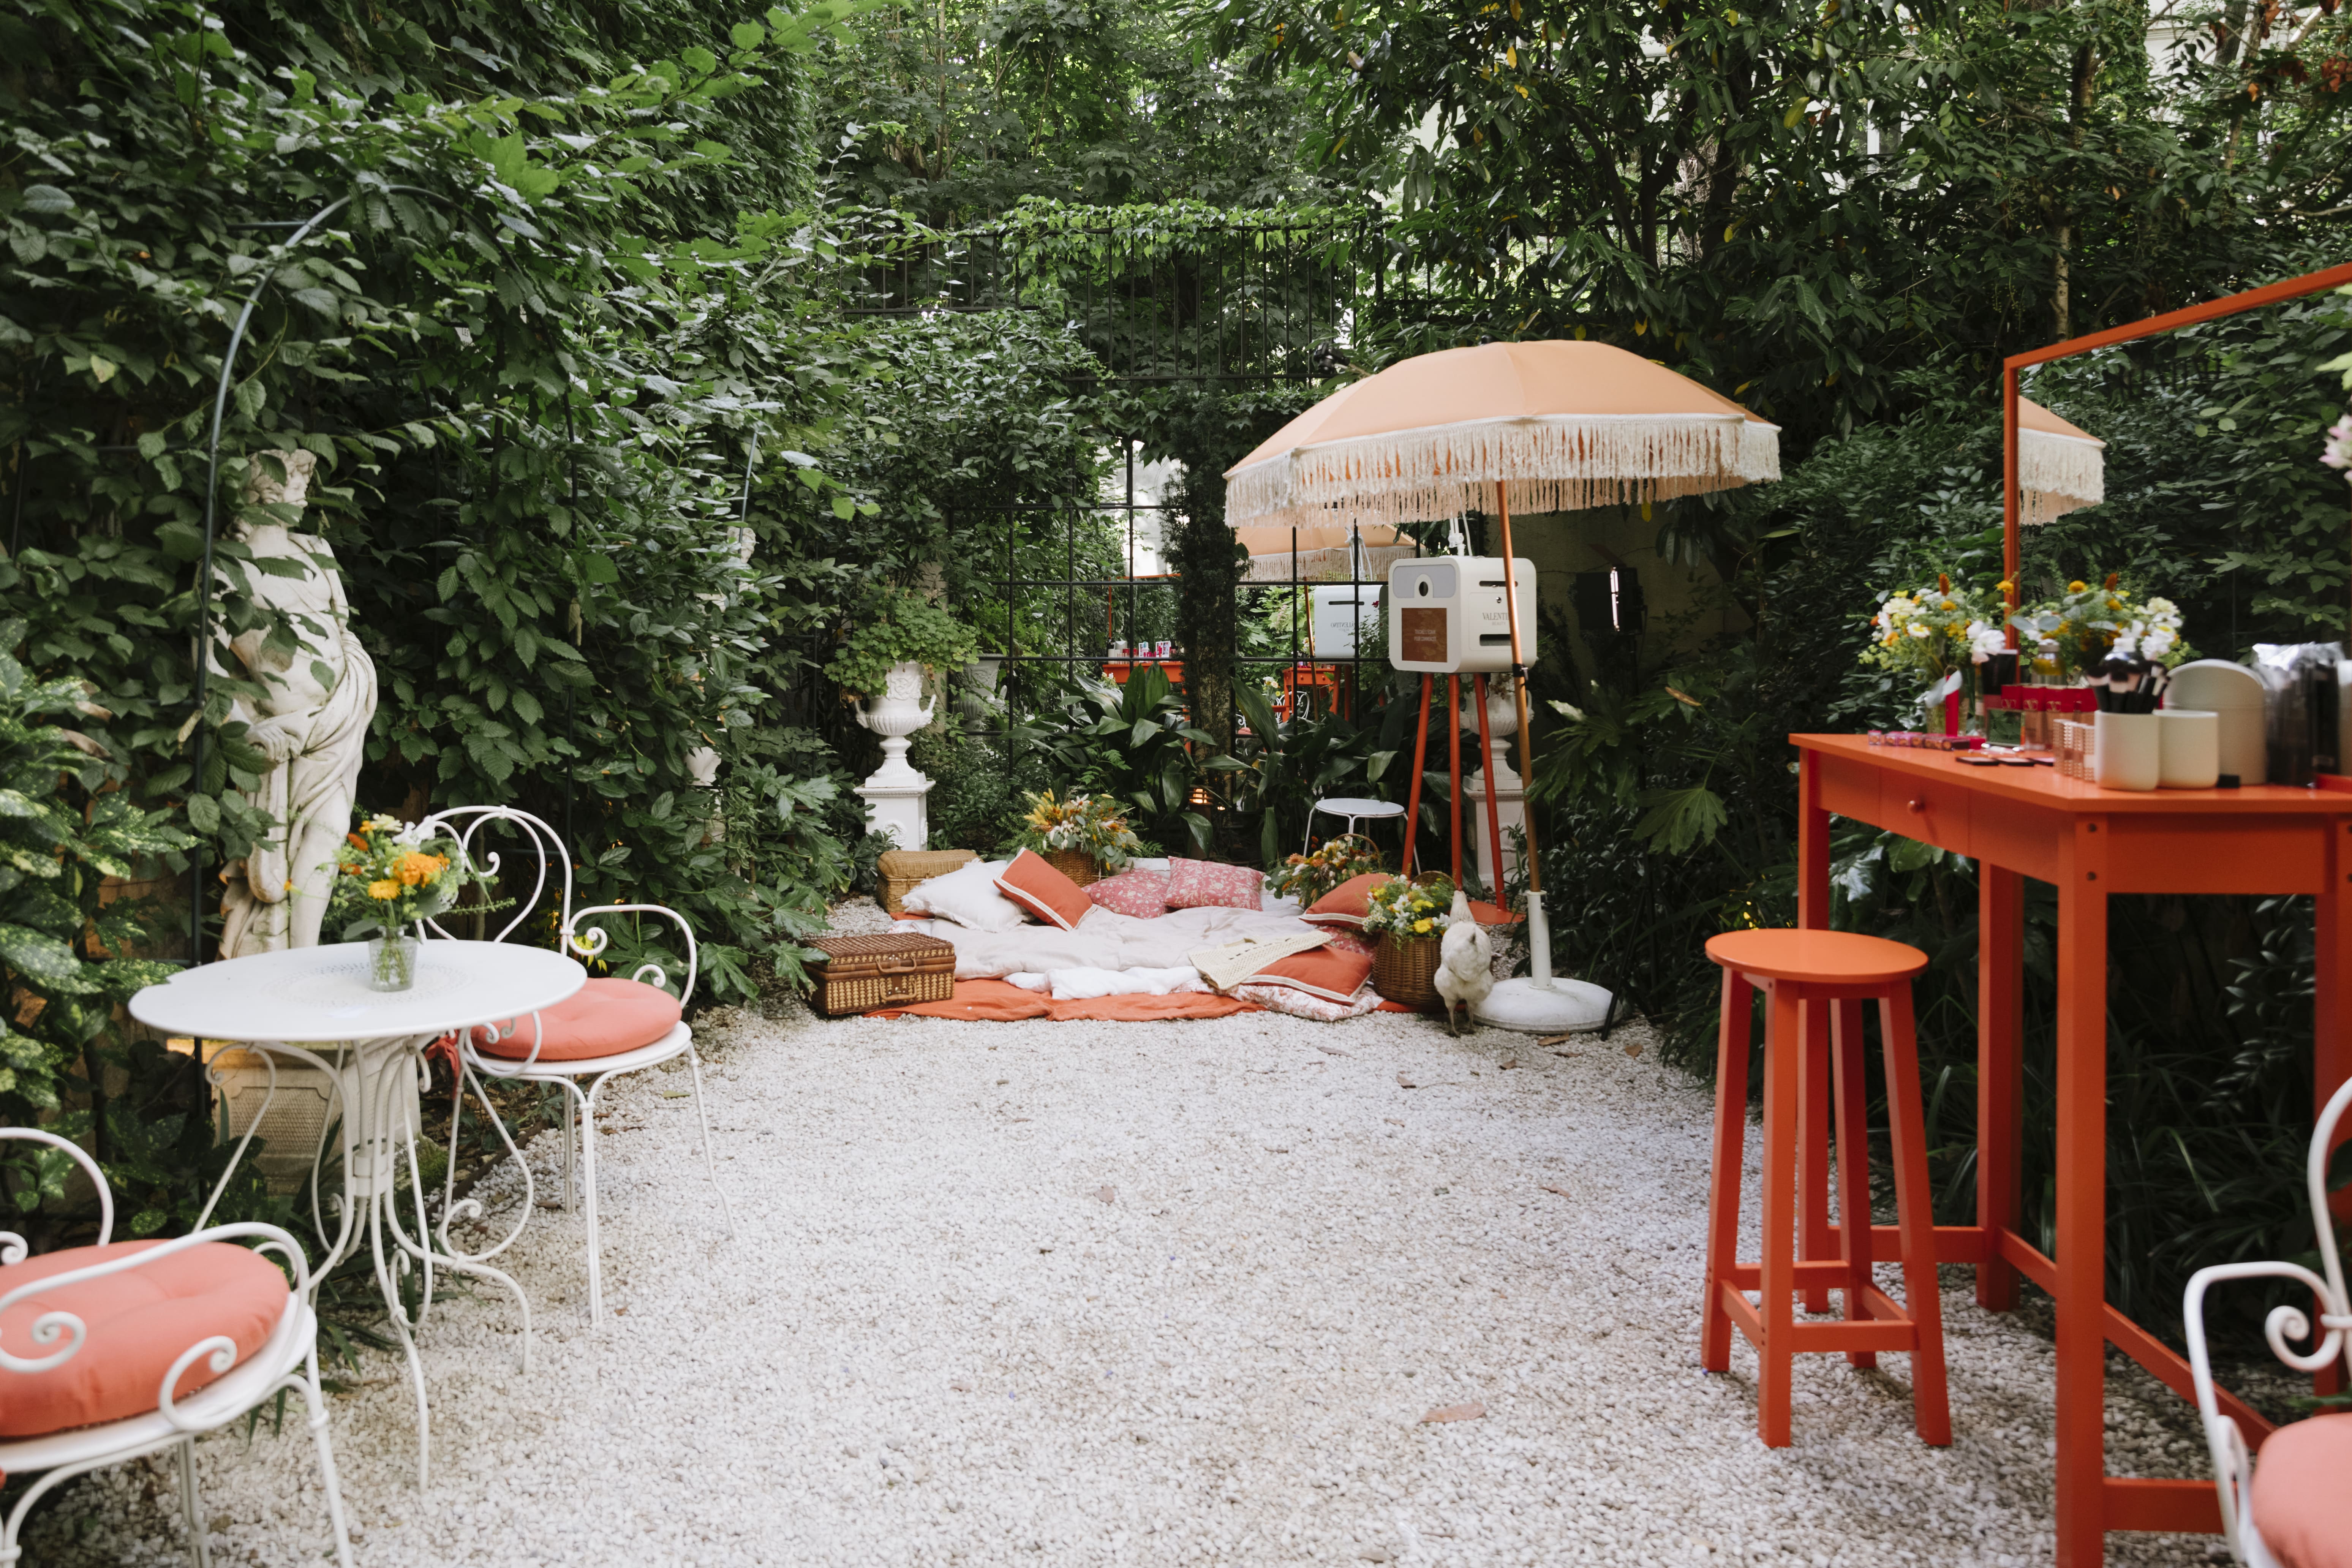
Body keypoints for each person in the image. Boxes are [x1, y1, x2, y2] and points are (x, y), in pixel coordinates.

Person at [215, 449, 379, 955]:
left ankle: (304, 955)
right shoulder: (226, 569)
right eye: (294, 485)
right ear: (261, 495)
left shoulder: (315, 549)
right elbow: (209, 671)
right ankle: (286, 962)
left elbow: (340, 627)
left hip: (343, 712)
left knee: (329, 832)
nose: (304, 494)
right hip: (283, 730)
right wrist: (240, 728)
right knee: (285, 850)